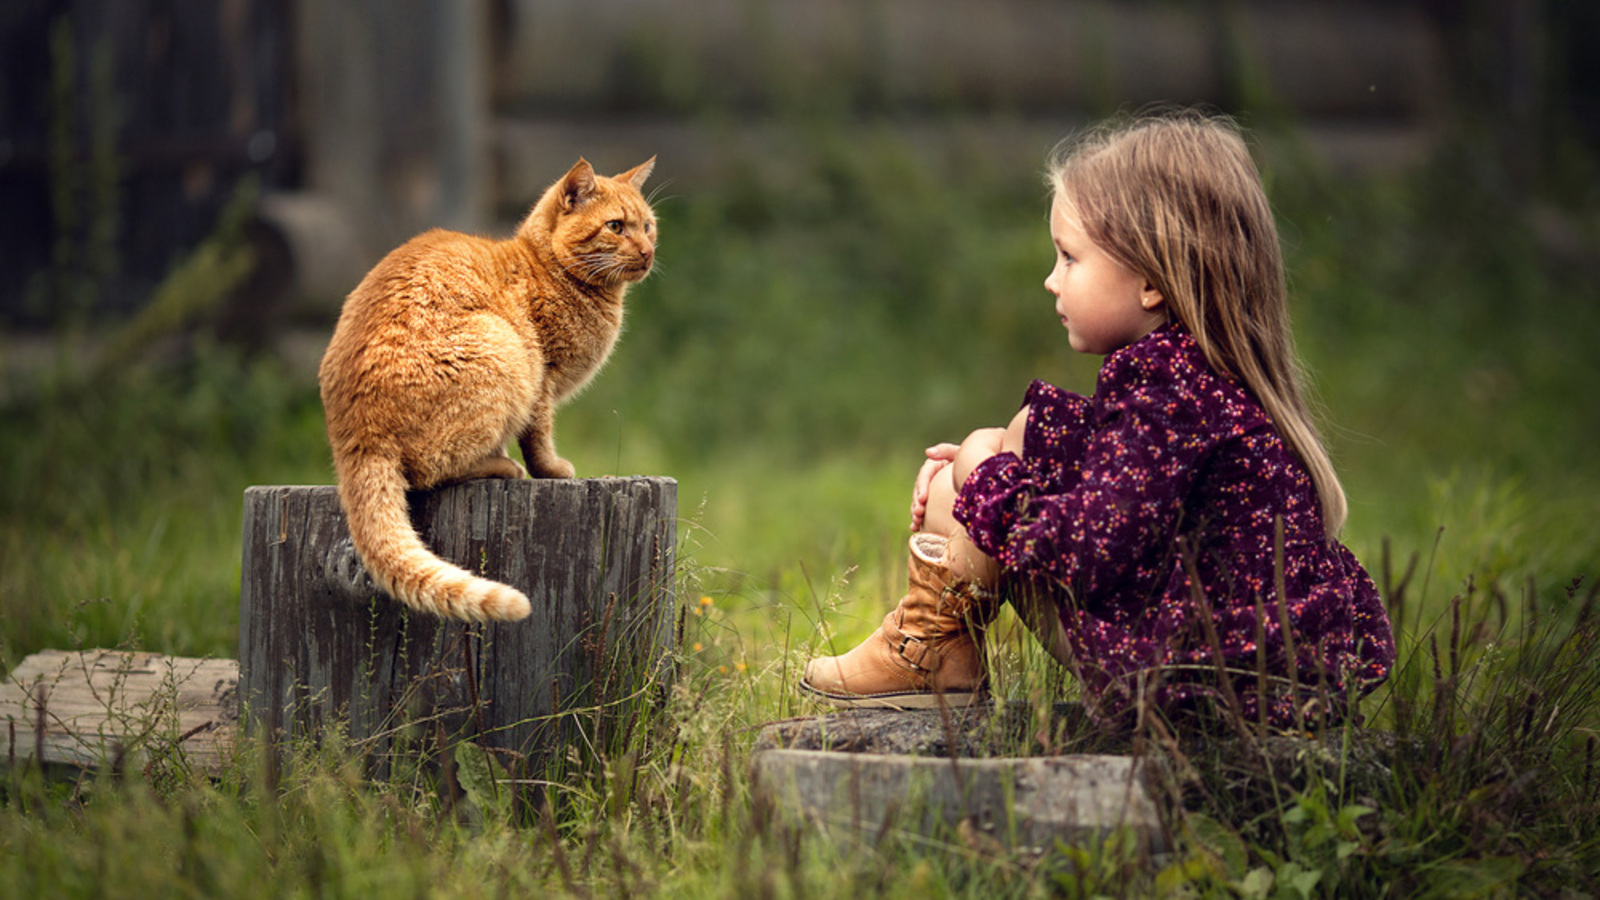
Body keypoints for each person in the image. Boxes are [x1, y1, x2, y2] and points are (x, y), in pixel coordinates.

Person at [800, 111, 1395, 729]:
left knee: (987, 463)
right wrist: (989, 464)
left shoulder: (1166, 391)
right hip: (1251, 678)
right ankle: (936, 651)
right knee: (1022, 432)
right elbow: (1114, 497)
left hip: (1197, 690)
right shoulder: (1204, 380)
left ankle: (927, 653)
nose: (1051, 281)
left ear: (1150, 280)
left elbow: (1090, 550)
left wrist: (985, 481)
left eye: (1069, 258)